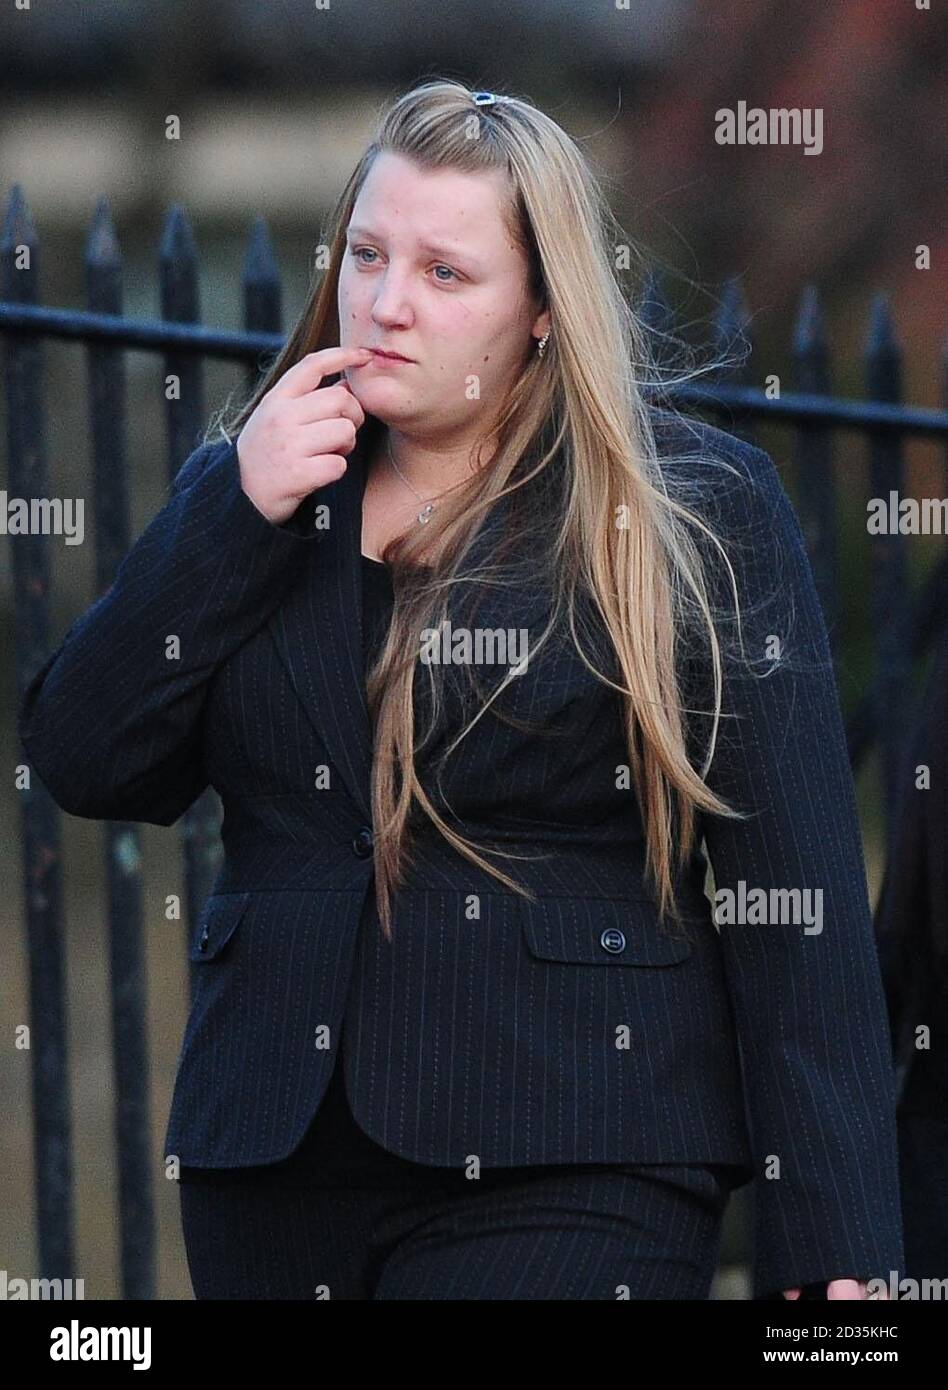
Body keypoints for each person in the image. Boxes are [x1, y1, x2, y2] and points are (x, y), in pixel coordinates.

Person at [18, 80, 902, 1301]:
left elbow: (791, 887)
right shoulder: (262, 489)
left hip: (579, 1147)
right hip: (274, 1164)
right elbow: (84, 752)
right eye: (368, 254)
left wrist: (836, 1246)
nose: (384, 304)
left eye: (445, 273)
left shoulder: (691, 506)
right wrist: (230, 512)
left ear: (542, 309)